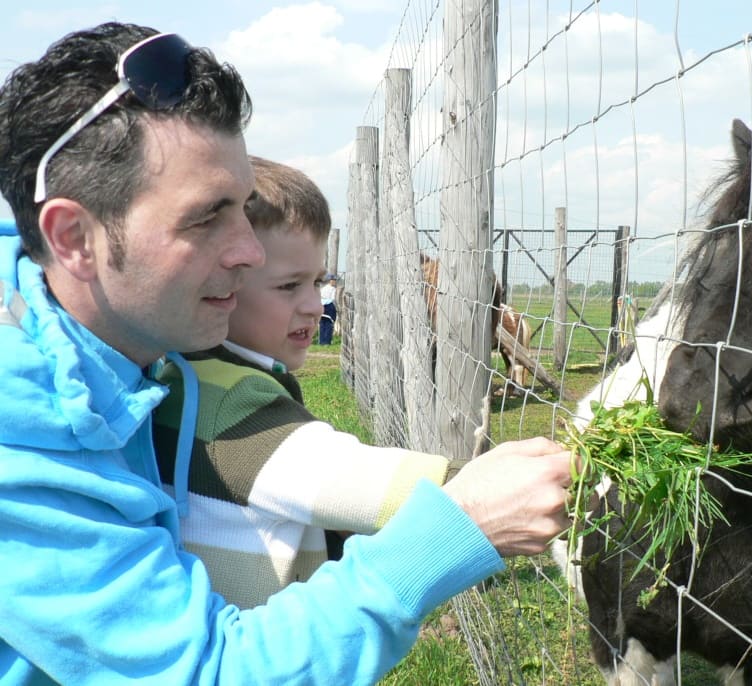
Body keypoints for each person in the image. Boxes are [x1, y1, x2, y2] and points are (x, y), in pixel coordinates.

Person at [0, 22, 573, 686]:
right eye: (205, 217)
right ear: (72, 236)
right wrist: (459, 527)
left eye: (243, 208)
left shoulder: (101, 346)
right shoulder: (22, 445)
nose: (247, 251)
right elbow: (207, 673)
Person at [152, 156, 463, 608]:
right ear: (221, 284)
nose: (313, 306)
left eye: (317, 281)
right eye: (288, 286)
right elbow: (379, 491)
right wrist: (502, 479)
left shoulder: (183, 375)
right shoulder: (234, 402)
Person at [319, 274, 338, 344]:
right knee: (329, 324)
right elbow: (333, 299)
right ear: (330, 281)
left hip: (321, 306)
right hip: (329, 306)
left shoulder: (323, 289)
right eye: (333, 280)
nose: (334, 282)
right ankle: (327, 341)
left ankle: (321, 341)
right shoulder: (333, 289)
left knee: (322, 325)